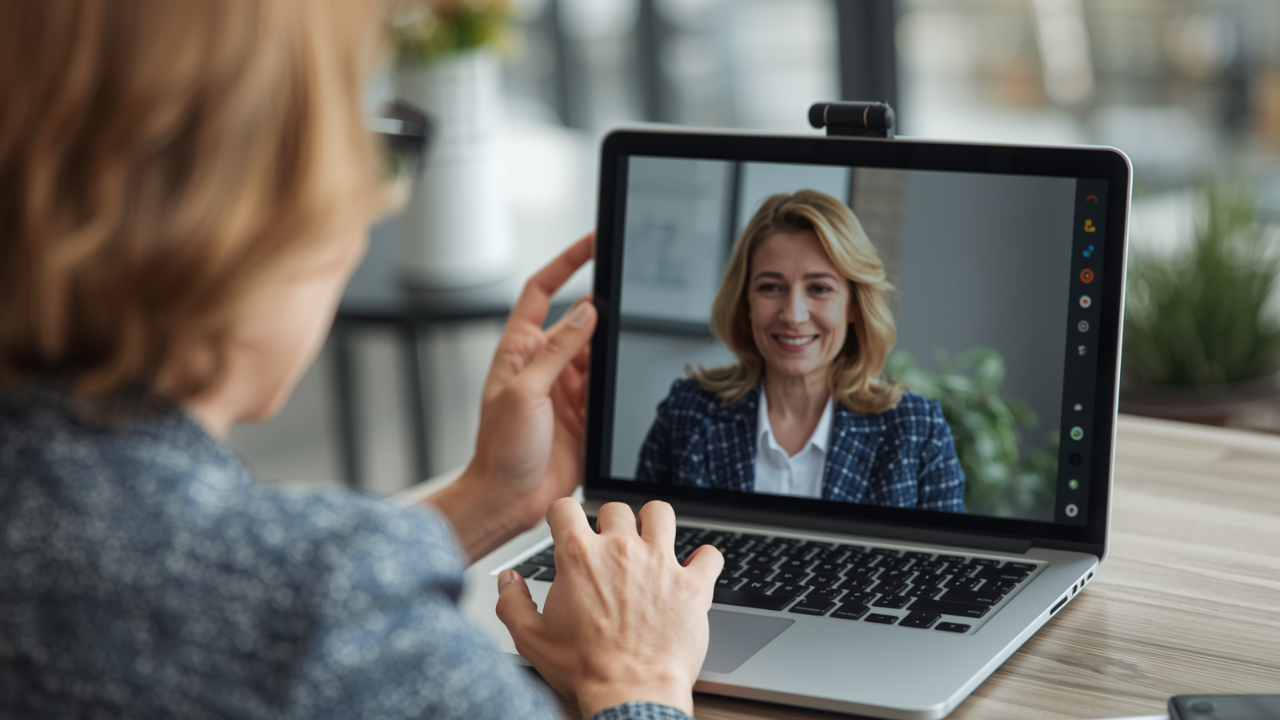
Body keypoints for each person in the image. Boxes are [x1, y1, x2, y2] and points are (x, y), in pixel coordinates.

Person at [0, 3, 722, 719]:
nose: (371, 207)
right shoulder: (317, 608)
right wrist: (640, 676)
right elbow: (292, 612)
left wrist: (494, 495)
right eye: (365, 143)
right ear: (242, 204)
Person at [636, 190, 966, 512]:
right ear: (746, 303)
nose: (793, 315)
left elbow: (951, 563)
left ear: (853, 305)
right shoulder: (686, 413)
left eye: (819, 288)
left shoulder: (918, 431)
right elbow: (637, 550)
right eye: (771, 287)